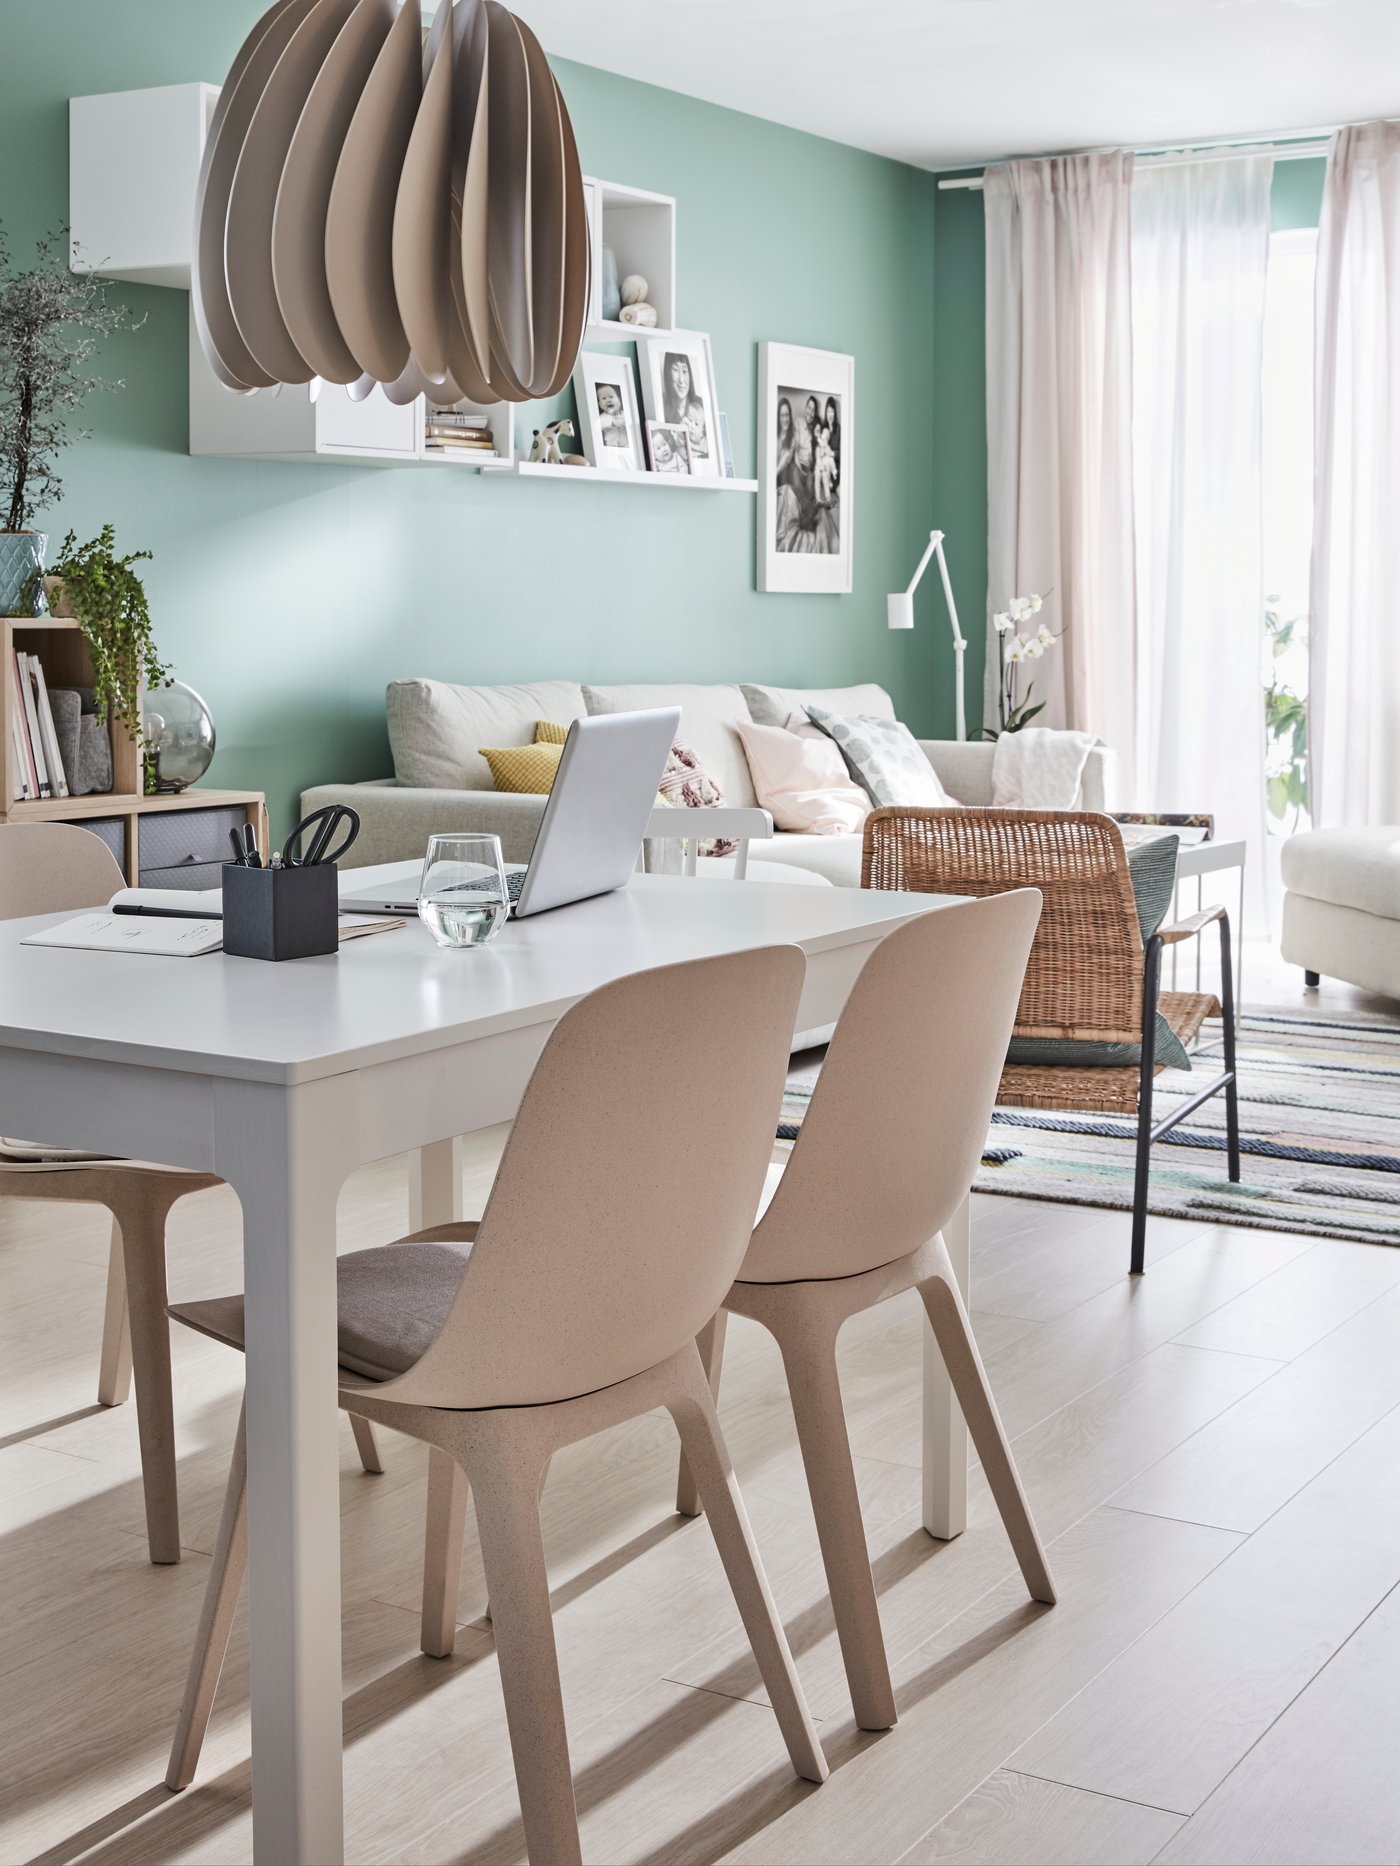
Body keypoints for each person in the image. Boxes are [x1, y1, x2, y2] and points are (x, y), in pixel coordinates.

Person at [595, 381, 628, 450]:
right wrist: (612, 423)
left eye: (611, 397)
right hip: (611, 446)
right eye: (604, 398)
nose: (608, 400)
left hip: (626, 445)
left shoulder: (625, 415)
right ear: (600, 405)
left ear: (619, 401)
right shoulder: (602, 417)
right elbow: (597, 425)